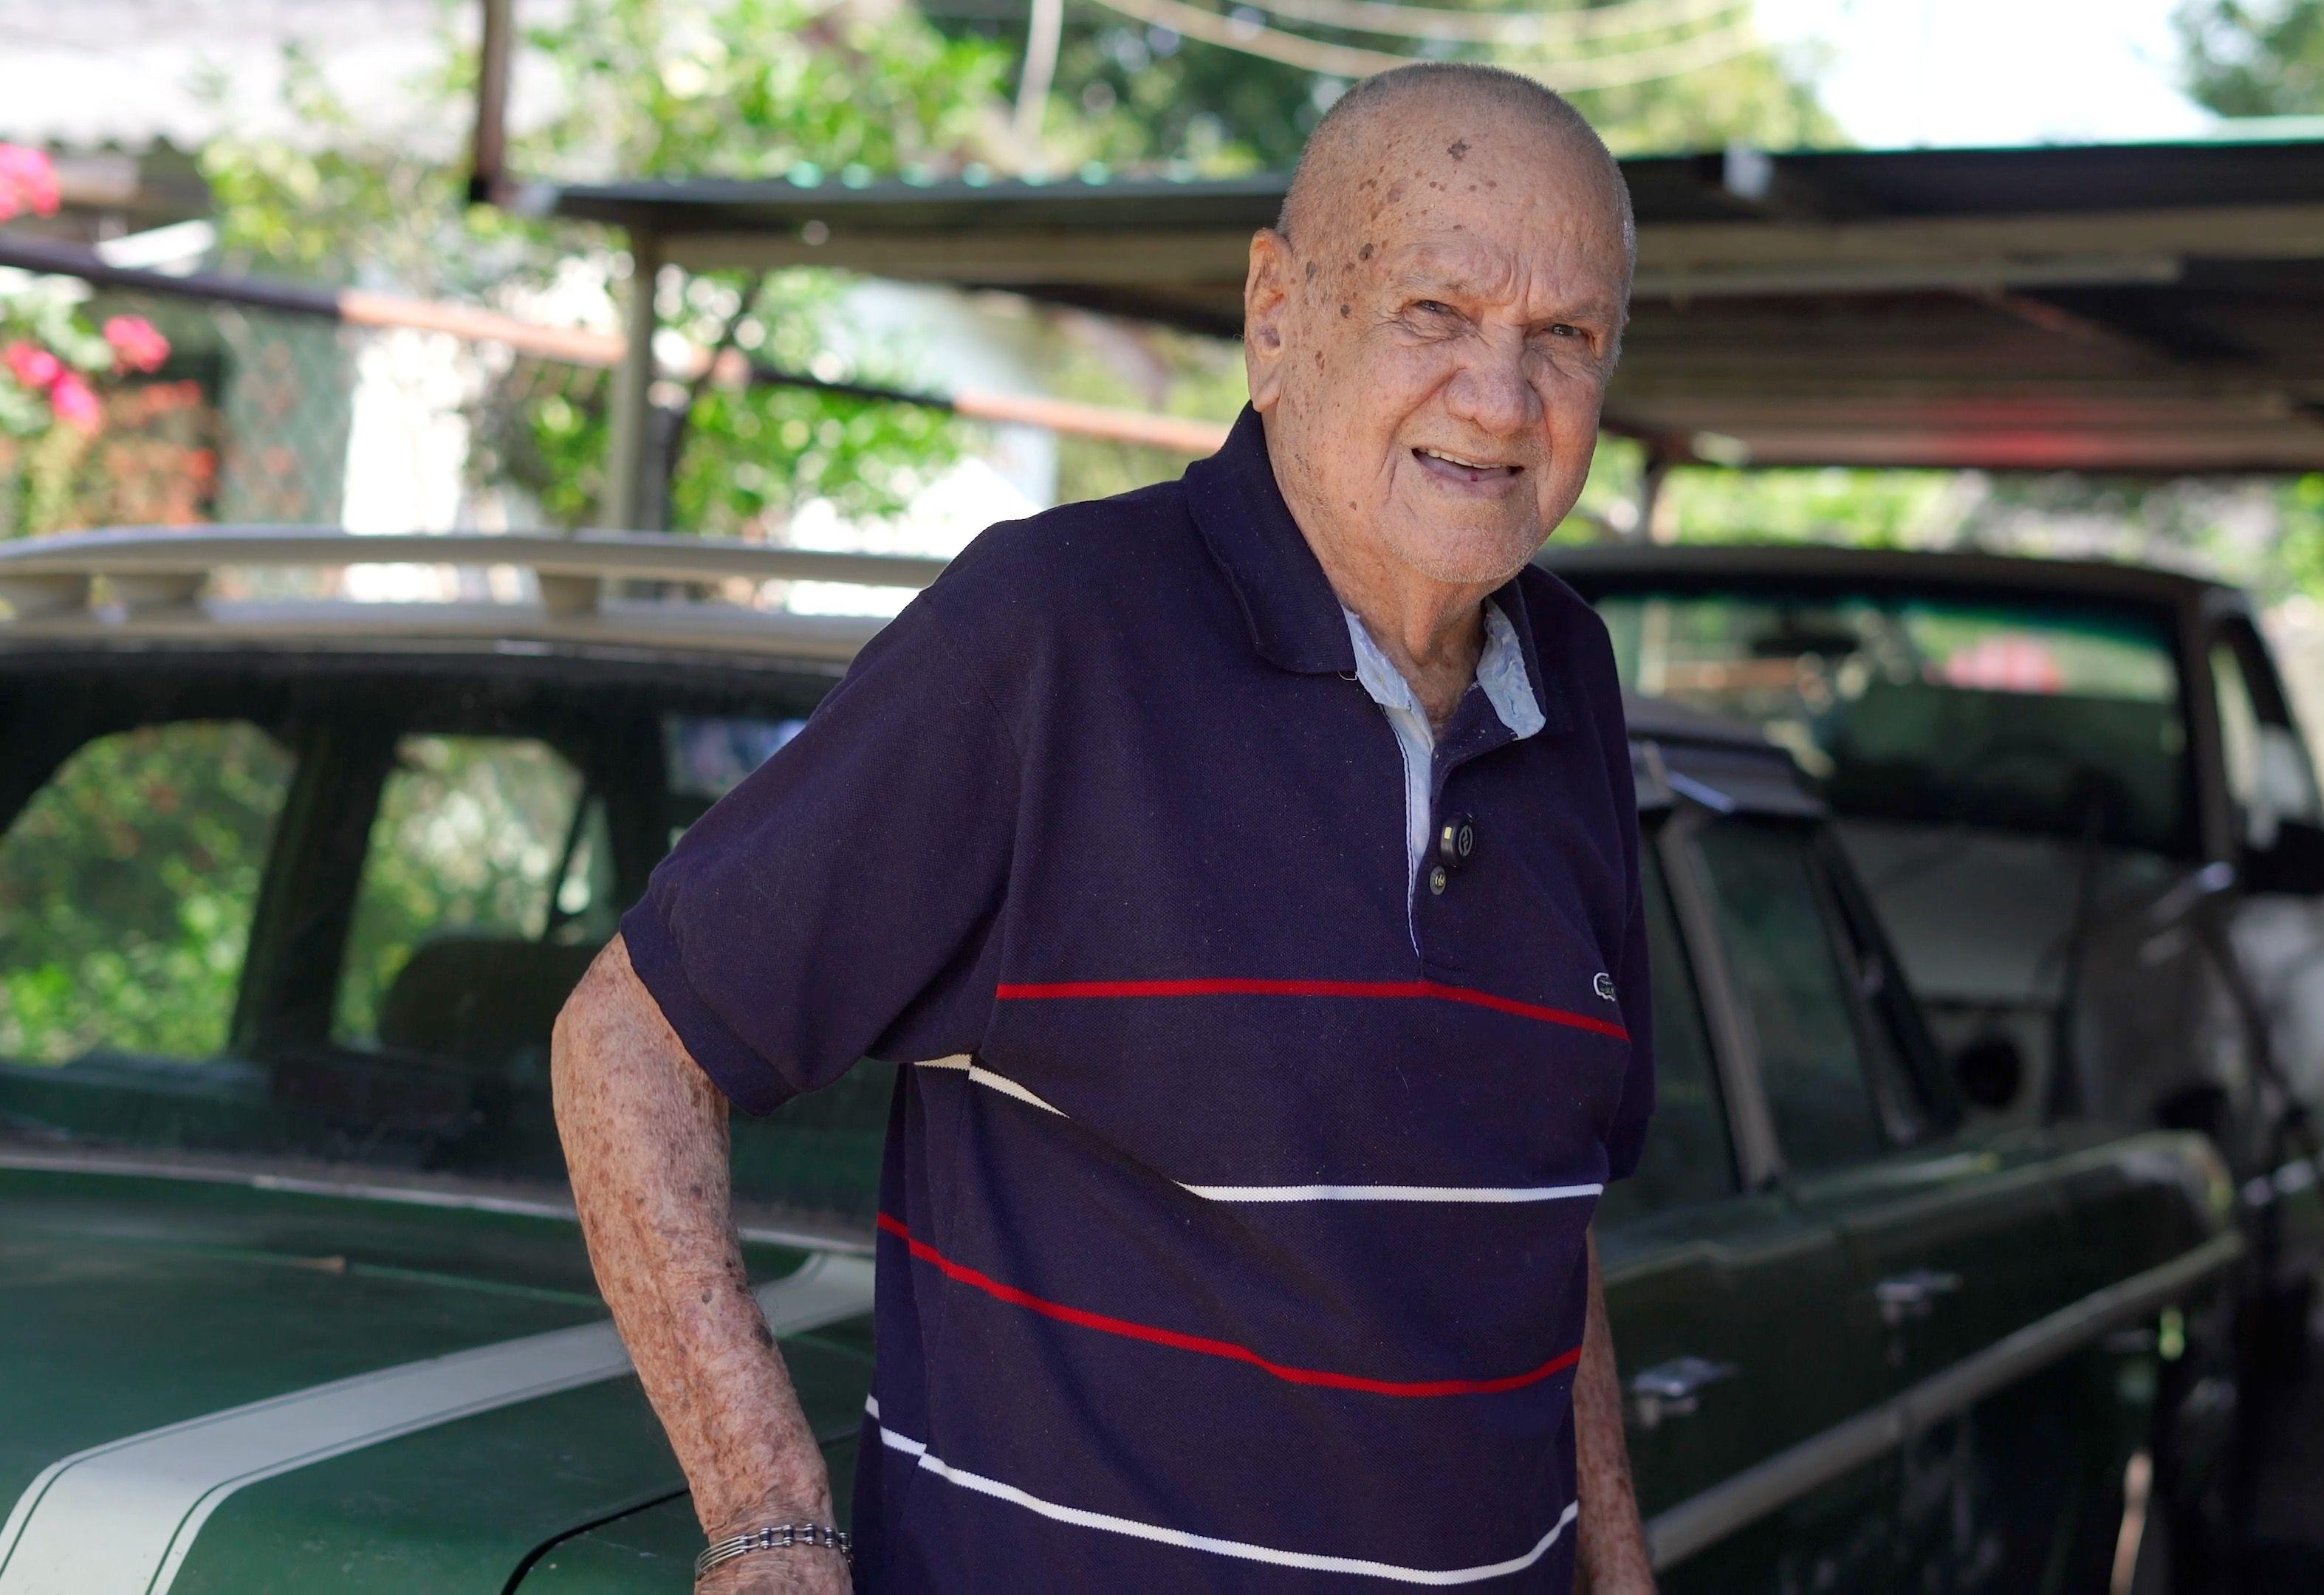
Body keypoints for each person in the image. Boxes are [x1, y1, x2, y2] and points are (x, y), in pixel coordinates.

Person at [551, 61, 1654, 1594]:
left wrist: (1619, 1564)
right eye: (1435, 312)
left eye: (1566, 337)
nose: (1502, 397)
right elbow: (630, 1042)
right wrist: (769, 1525)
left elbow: (1537, 1205)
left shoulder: (1572, 679)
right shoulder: (1056, 630)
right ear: (1277, 315)